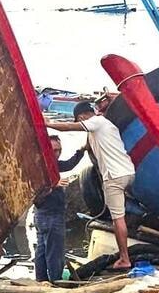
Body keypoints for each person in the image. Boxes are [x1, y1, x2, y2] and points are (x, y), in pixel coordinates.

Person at [52, 99, 136, 270]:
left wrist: (45, 123)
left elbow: (68, 127)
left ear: (82, 117)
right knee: (125, 210)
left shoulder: (94, 123)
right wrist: (82, 150)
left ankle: (124, 258)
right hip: (129, 172)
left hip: (114, 177)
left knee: (117, 219)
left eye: (80, 121)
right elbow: (89, 144)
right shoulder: (105, 124)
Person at [31, 134, 84, 282]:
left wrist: (81, 151)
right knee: (55, 251)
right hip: (49, 215)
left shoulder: (52, 164)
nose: (57, 153)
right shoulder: (39, 166)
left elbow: (68, 165)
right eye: (54, 150)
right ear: (46, 149)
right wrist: (53, 184)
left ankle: (41, 281)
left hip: (45, 216)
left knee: (42, 249)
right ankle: (56, 281)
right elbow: (34, 189)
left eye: (59, 150)